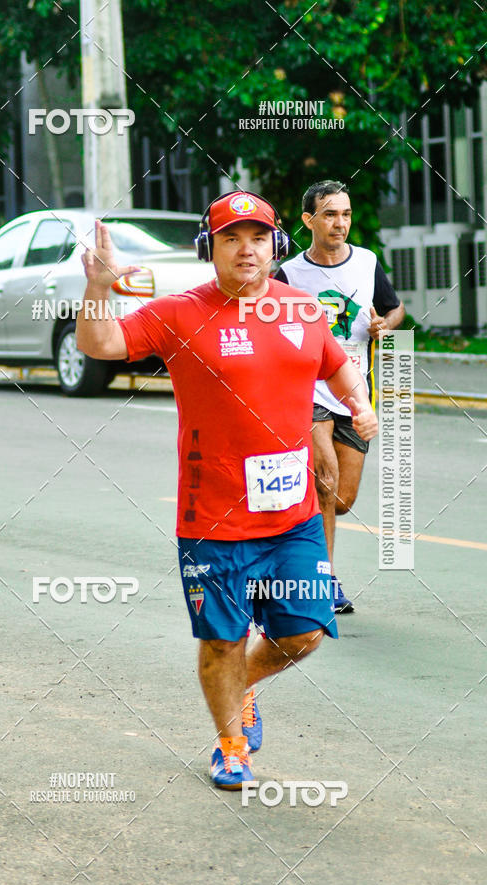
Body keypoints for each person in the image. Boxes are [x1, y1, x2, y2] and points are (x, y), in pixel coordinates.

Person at [76, 191, 377, 790]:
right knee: (221, 640)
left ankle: (246, 687)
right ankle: (231, 745)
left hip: (292, 514)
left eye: (258, 237)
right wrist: (99, 290)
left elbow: (335, 363)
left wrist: (360, 404)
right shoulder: (180, 313)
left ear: (276, 245)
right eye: (231, 238)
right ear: (208, 248)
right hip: (212, 516)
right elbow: (100, 346)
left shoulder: (302, 309)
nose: (246, 249)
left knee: (303, 632)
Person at [275, 180, 405, 614]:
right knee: (325, 483)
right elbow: (263, 321)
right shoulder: (290, 275)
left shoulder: (367, 263)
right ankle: (321, 579)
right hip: (307, 390)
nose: (340, 223)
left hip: (354, 392)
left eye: (346, 214)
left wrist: (385, 326)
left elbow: (394, 308)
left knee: (341, 498)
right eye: (330, 214)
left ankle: (292, 538)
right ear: (308, 220)